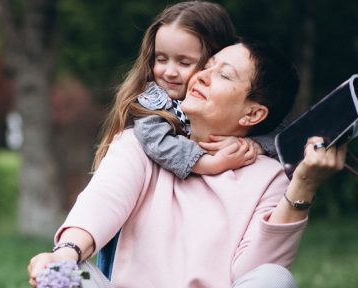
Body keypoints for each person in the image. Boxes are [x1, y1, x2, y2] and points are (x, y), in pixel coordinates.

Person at [27, 40, 347, 288]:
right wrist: (65, 252)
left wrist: (303, 188)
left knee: (276, 281)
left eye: (224, 74)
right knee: (68, 269)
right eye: (208, 65)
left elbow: (250, 277)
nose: (203, 76)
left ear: (253, 112)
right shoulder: (140, 146)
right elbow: (101, 203)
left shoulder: (271, 178)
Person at [96, 1, 275, 183]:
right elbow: (155, 139)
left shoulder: (234, 107)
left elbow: (278, 129)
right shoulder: (153, 101)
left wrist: (251, 145)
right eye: (161, 59)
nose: (170, 72)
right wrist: (209, 164)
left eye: (184, 63)